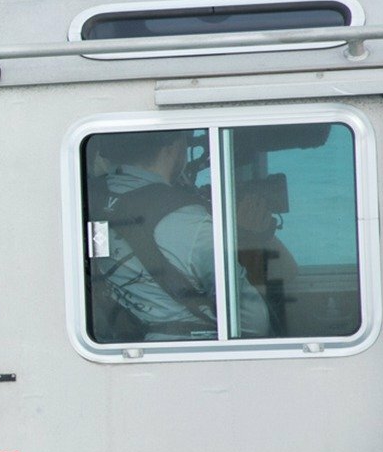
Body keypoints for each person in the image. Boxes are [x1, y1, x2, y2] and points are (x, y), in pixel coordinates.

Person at [89, 130, 280, 341]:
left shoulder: (93, 203)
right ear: (174, 147)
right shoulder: (191, 221)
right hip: (195, 352)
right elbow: (254, 323)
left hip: (129, 342)